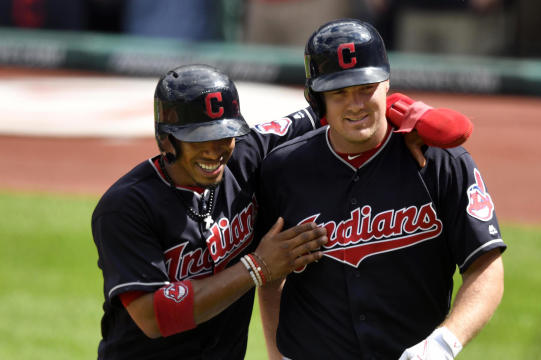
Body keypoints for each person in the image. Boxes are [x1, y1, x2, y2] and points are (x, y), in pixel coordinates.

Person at [91, 63, 473, 359]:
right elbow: (155, 317)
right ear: (166, 139)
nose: (215, 149)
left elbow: (335, 106)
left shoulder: (248, 155)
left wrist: (407, 115)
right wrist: (258, 268)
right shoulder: (127, 207)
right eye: (198, 139)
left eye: (225, 134)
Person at [257, 18, 506, 360]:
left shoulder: (441, 161)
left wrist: (444, 343)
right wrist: (277, 354)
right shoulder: (282, 170)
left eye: (365, 87)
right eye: (339, 92)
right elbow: (272, 275)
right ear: (316, 98)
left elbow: (486, 265)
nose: (356, 104)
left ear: (386, 82)